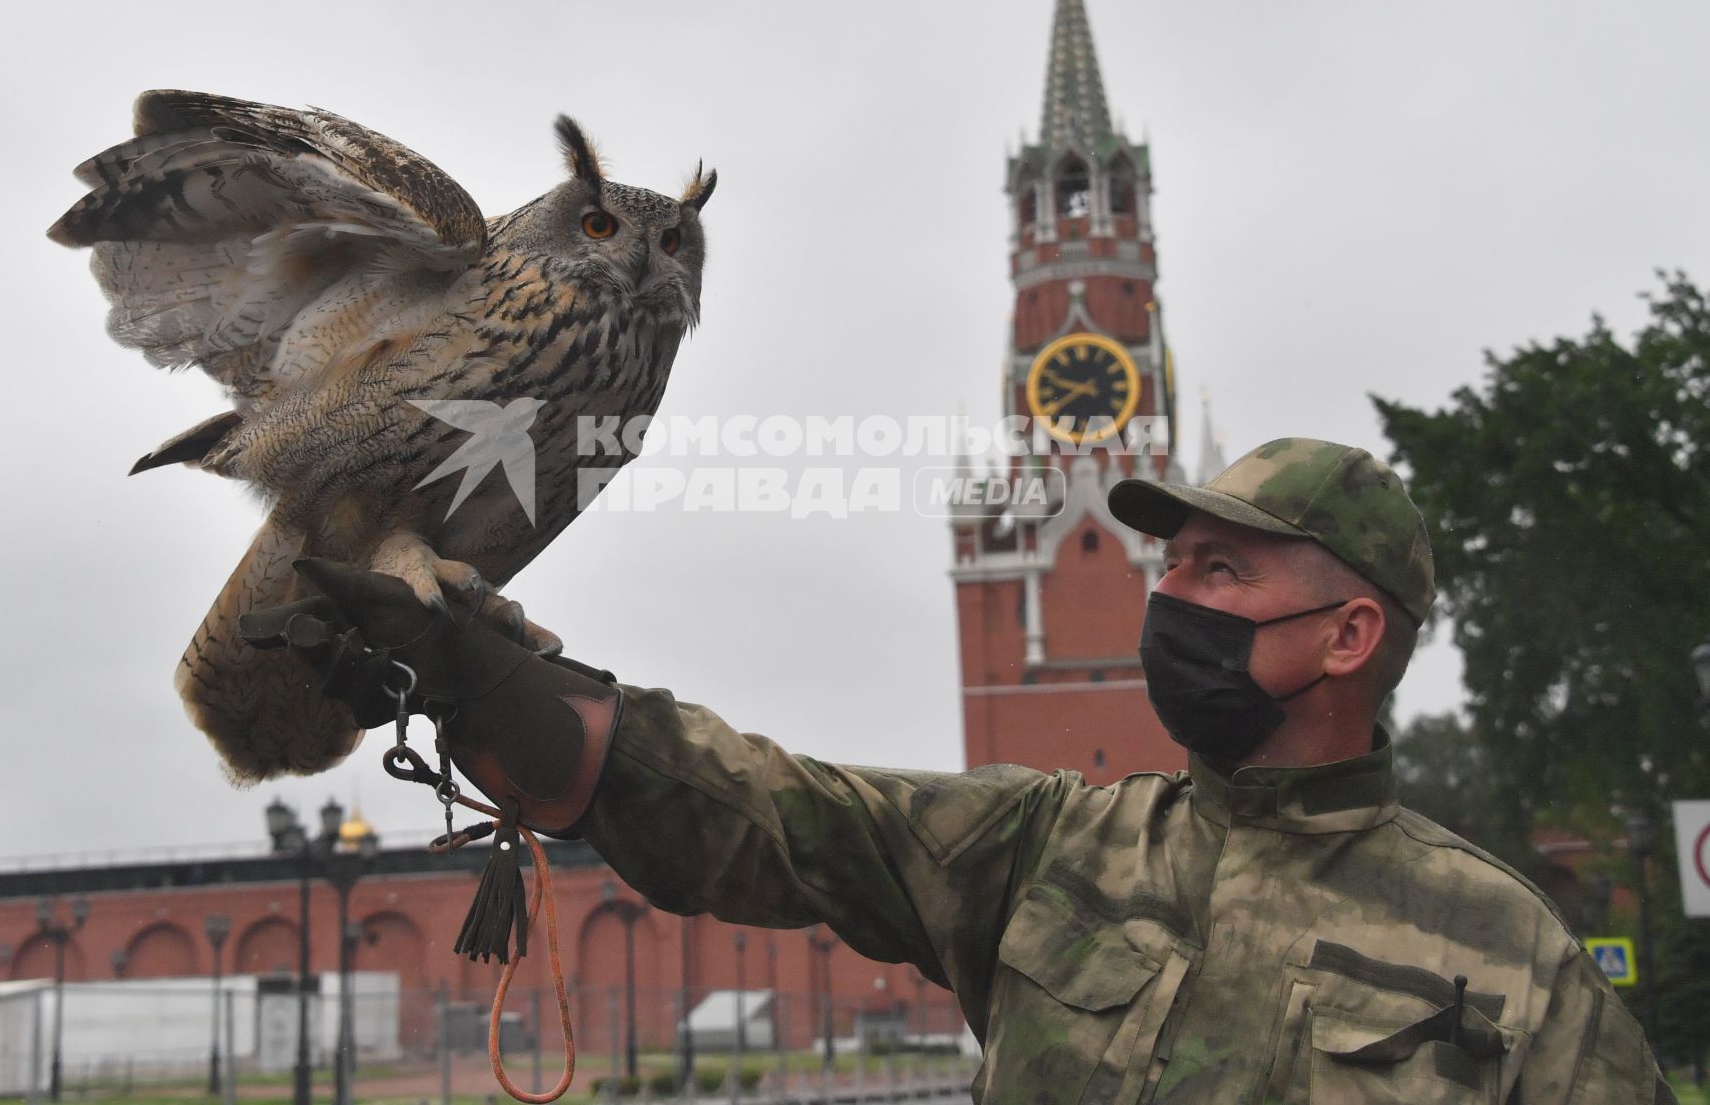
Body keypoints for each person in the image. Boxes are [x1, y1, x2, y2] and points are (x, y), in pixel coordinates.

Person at [248, 437, 1670, 1103]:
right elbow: (769, 816)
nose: (1165, 599)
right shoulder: (1053, 848)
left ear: (1350, 633)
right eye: (1164, 562)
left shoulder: (1508, 958)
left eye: (1219, 569)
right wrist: (481, 675)